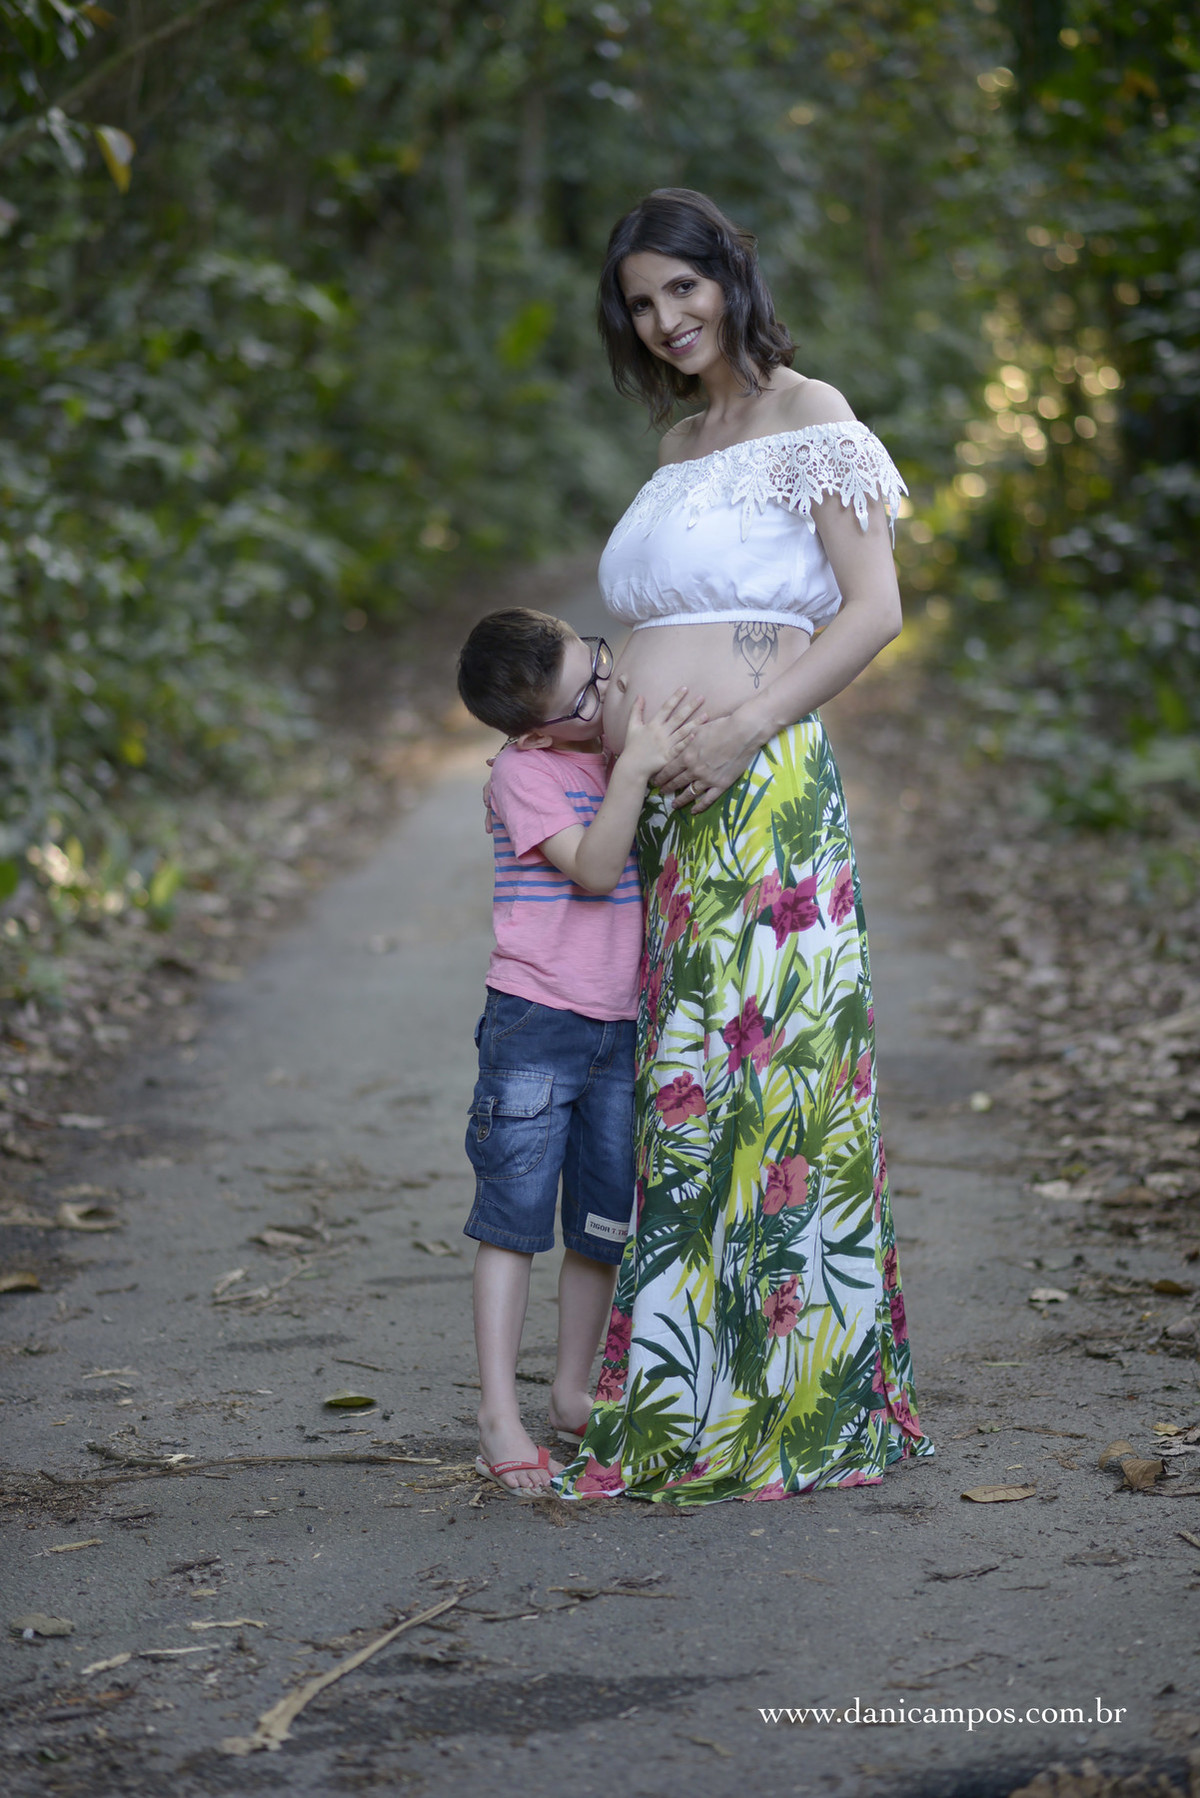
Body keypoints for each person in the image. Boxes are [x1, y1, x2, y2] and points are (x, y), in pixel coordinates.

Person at [554, 188, 935, 1504]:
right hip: (667, 796)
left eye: (684, 288)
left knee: (770, 1080)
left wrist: (747, 725)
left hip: (761, 779)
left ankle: (795, 1395)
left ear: (730, 276)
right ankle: (680, 1381)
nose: (666, 319)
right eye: (642, 301)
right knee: (684, 1077)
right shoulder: (674, 444)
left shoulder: (810, 414)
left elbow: (874, 608)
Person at [456, 607, 704, 1494]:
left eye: (597, 666)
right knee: (514, 1216)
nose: (605, 694)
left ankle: (571, 1391)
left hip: (617, 1024)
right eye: (582, 696)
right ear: (534, 728)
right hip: (537, 1020)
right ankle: (497, 1412)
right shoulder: (523, 776)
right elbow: (597, 870)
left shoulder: (599, 751)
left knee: (601, 1218)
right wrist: (632, 765)